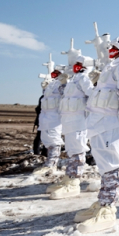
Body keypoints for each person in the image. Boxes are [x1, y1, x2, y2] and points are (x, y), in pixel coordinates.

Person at [75, 37, 119, 233]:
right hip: (101, 122)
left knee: (112, 165)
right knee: (104, 165)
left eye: (115, 47)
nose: (111, 49)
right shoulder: (114, 65)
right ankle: (102, 202)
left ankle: (108, 210)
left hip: (113, 123)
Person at [47, 56, 95, 199]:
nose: (75, 66)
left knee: (78, 150)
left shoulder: (84, 79)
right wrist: (63, 82)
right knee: (71, 150)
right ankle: (69, 177)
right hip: (68, 121)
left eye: (78, 64)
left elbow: (92, 95)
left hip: (79, 122)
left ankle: (74, 182)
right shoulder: (74, 80)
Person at [33, 67, 66, 176]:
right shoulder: (51, 84)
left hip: (55, 118)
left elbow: (66, 95)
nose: (54, 74)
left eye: (57, 72)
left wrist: (64, 82)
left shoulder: (64, 84)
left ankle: (52, 164)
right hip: (45, 117)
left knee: (54, 140)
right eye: (54, 72)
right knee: (46, 140)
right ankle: (48, 163)